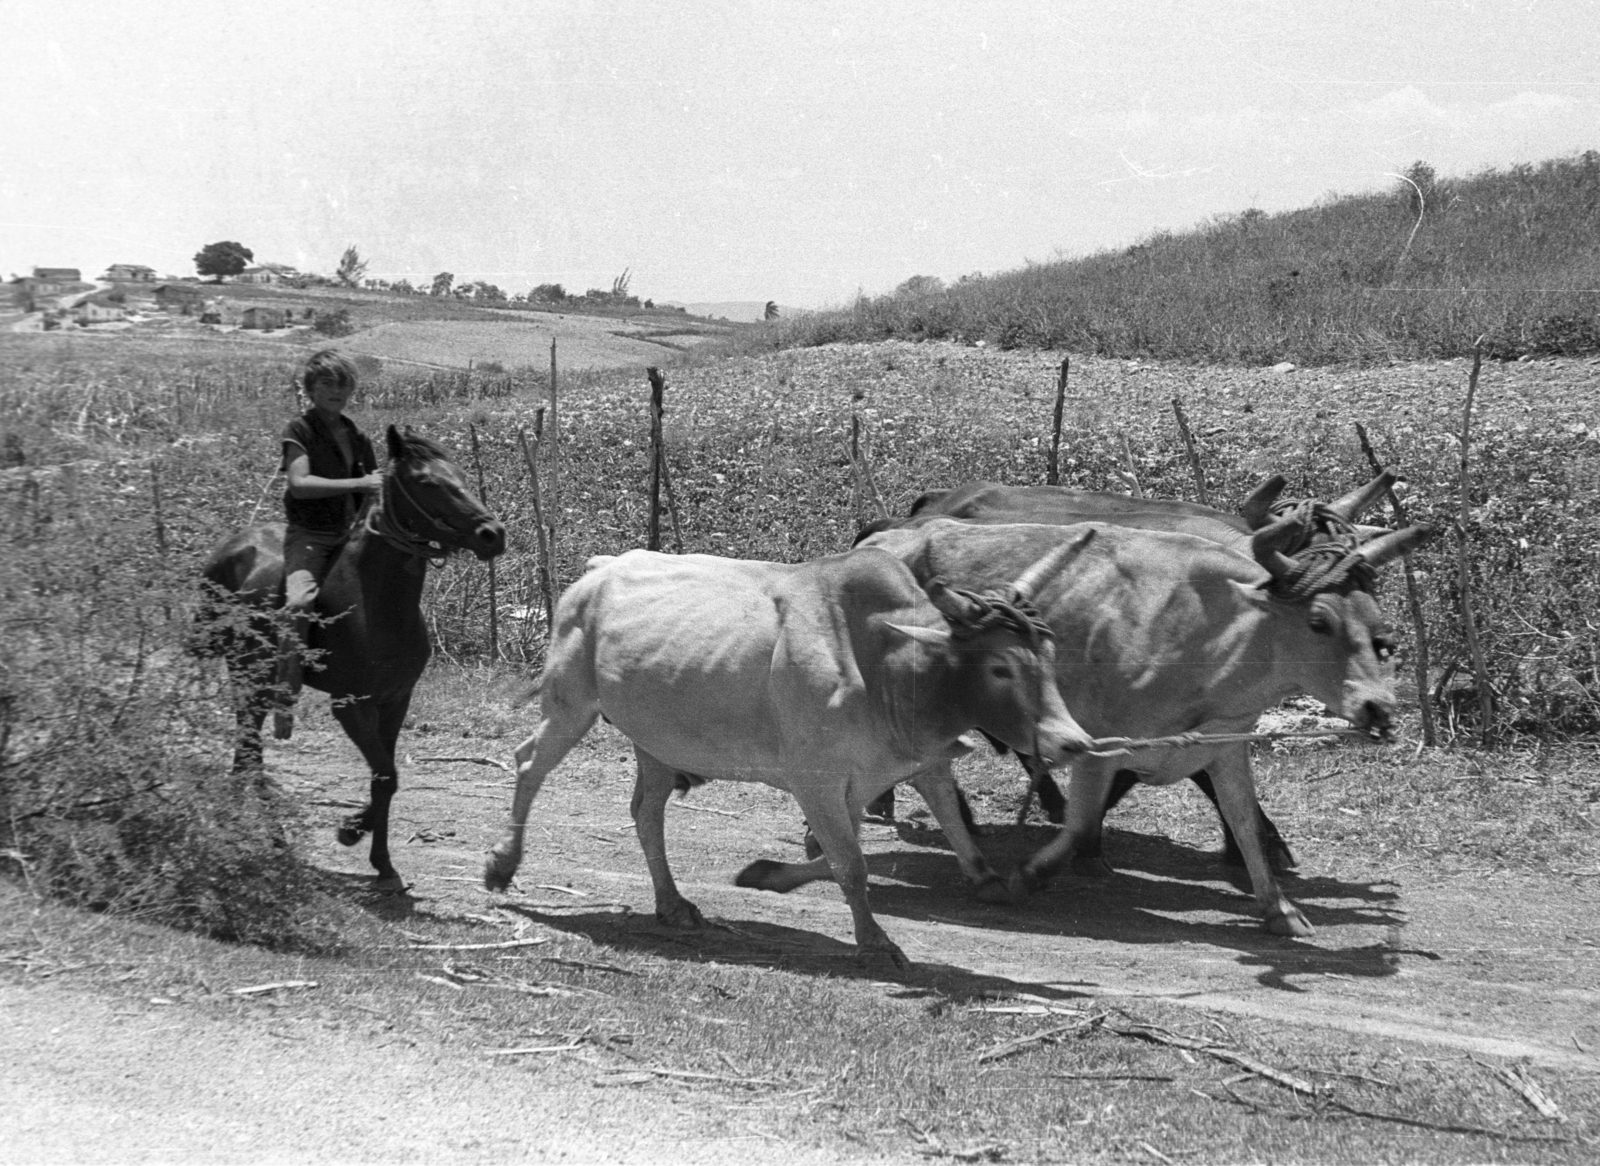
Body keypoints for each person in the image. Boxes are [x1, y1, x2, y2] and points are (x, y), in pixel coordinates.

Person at [274, 349, 382, 738]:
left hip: (352, 535)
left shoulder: (357, 435)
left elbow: (375, 488)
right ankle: (284, 696)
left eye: (343, 383)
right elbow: (299, 486)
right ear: (310, 389)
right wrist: (358, 484)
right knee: (299, 603)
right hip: (312, 537)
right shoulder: (299, 430)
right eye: (326, 383)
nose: (336, 391)